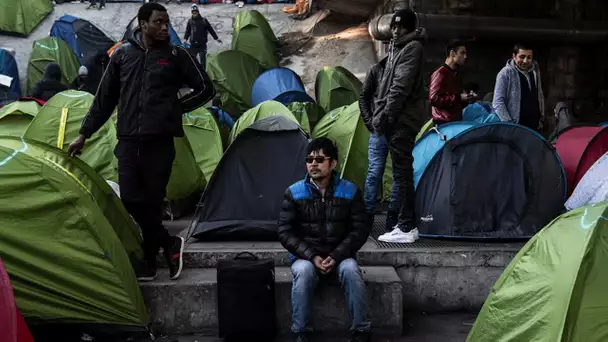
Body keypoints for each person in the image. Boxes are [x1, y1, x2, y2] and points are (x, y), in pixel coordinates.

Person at [67, 3, 215, 281]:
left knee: (151, 202)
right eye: (158, 22)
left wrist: (178, 108)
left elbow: (206, 88)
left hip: (160, 142)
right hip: (128, 140)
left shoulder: (176, 55)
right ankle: (168, 242)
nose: (164, 27)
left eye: (166, 22)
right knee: (133, 200)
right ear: (143, 24)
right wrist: (84, 134)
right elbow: (104, 99)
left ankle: (148, 264)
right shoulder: (122, 55)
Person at [278, 138, 371, 342]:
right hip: (305, 257)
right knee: (303, 272)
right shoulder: (293, 192)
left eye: (320, 159)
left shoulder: (350, 190)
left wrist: (336, 256)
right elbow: (285, 231)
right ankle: (301, 332)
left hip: (340, 255)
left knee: (351, 270)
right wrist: (312, 256)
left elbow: (361, 229)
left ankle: (362, 331)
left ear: (333, 164)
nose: (313, 164)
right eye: (309, 159)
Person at [371, 9, 426, 232]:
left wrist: (386, 115)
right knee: (400, 173)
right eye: (393, 26)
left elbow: (399, 87)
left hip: (402, 119)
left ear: (410, 28)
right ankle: (403, 224)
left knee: (402, 174)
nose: (395, 30)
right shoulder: (398, 47)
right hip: (396, 116)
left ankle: (405, 226)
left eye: (400, 27)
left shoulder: (412, 48)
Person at [360, 59, 398, 228]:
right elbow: (363, 98)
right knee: (374, 172)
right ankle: (368, 215)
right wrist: (371, 123)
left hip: (399, 130)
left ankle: (393, 215)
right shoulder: (376, 69)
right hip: (379, 129)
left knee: (399, 174)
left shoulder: (405, 68)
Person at [493, 44, 545, 131]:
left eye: (529, 57)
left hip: (534, 126)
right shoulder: (505, 73)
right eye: (522, 57)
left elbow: (539, 94)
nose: (525, 61)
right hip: (515, 127)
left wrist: (541, 117)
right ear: (514, 56)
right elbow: (498, 102)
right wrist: (508, 123)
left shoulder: (535, 72)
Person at [429, 39, 476, 126]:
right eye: (462, 53)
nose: (465, 56)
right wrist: (459, 98)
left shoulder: (455, 75)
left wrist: (467, 99)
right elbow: (434, 99)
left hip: (454, 123)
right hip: (443, 124)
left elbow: (454, 103)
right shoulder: (440, 73)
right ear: (452, 53)